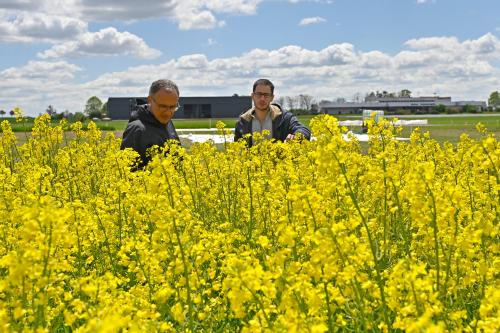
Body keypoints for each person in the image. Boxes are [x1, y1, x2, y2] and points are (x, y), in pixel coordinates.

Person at [121, 79, 180, 168]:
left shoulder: (168, 123)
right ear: (150, 100)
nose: (168, 113)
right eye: (163, 106)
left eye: (173, 107)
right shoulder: (137, 129)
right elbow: (127, 172)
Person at [234, 79, 311, 146]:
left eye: (266, 95)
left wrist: (296, 136)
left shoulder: (284, 118)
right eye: (259, 94)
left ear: (272, 98)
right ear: (253, 96)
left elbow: (304, 130)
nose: (262, 99)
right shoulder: (242, 122)